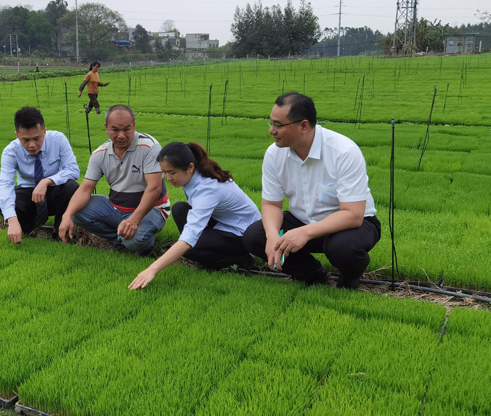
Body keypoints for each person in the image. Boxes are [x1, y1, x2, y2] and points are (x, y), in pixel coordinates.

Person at [242, 92, 381, 289]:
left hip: (350, 224)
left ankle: (349, 279)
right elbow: (271, 204)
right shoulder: (274, 154)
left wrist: (304, 233)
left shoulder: (344, 152)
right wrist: (273, 236)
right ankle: (312, 274)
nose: (272, 131)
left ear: (304, 126)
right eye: (271, 123)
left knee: (344, 248)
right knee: (255, 236)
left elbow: (353, 215)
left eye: (279, 125)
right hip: (303, 220)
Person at [129, 142, 261, 289]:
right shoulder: (195, 175)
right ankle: (211, 250)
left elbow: (189, 237)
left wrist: (151, 270)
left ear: (190, 167)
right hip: (224, 223)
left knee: (190, 248)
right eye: (164, 172)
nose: (168, 178)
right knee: (180, 209)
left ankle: (242, 260)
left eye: (172, 172)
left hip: (243, 233)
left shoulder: (206, 189)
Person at [58, 105, 169, 255]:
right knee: (77, 212)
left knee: (135, 240)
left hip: (152, 209)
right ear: (106, 128)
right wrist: (67, 215)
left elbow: (154, 188)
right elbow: (85, 189)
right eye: (115, 130)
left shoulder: (149, 147)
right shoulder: (100, 154)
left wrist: (133, 220)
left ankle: (143, 244)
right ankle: (120, 240)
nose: (121, 135)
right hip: (117, 208)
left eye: (127, 129)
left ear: (134, 126)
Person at [0, 107, 80, 243]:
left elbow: (73, 169)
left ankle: (60, 233)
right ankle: (29, 228)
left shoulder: (58, 139)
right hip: (28, 194)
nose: (32, 145)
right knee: (6, 205)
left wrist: (46, 181)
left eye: (37, 138)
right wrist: (11, 220)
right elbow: (5, 184)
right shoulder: (10, 151)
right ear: (17, 135)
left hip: (53, 191)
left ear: (44, 131)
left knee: (72, 187)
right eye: (25, 140)